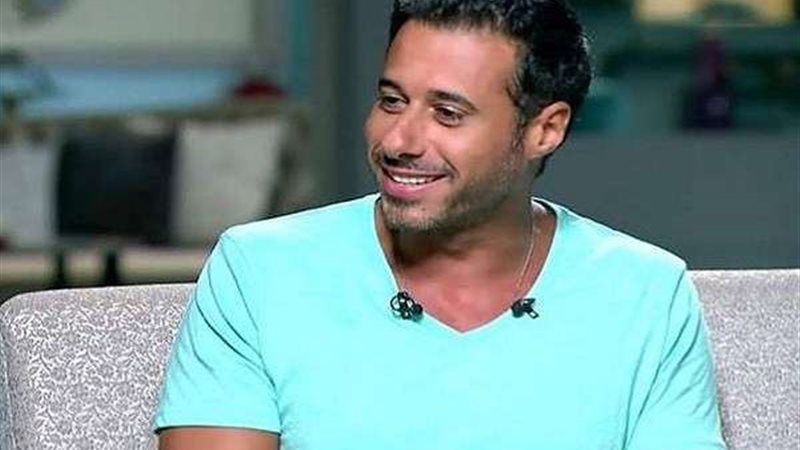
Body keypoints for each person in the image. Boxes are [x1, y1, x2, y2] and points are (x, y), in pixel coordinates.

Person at [154, 1, 727, 449]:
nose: (399, 140)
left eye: (448, 114)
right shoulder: (259, 272)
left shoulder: (647, 294)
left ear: (544, 130)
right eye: (391, 101)